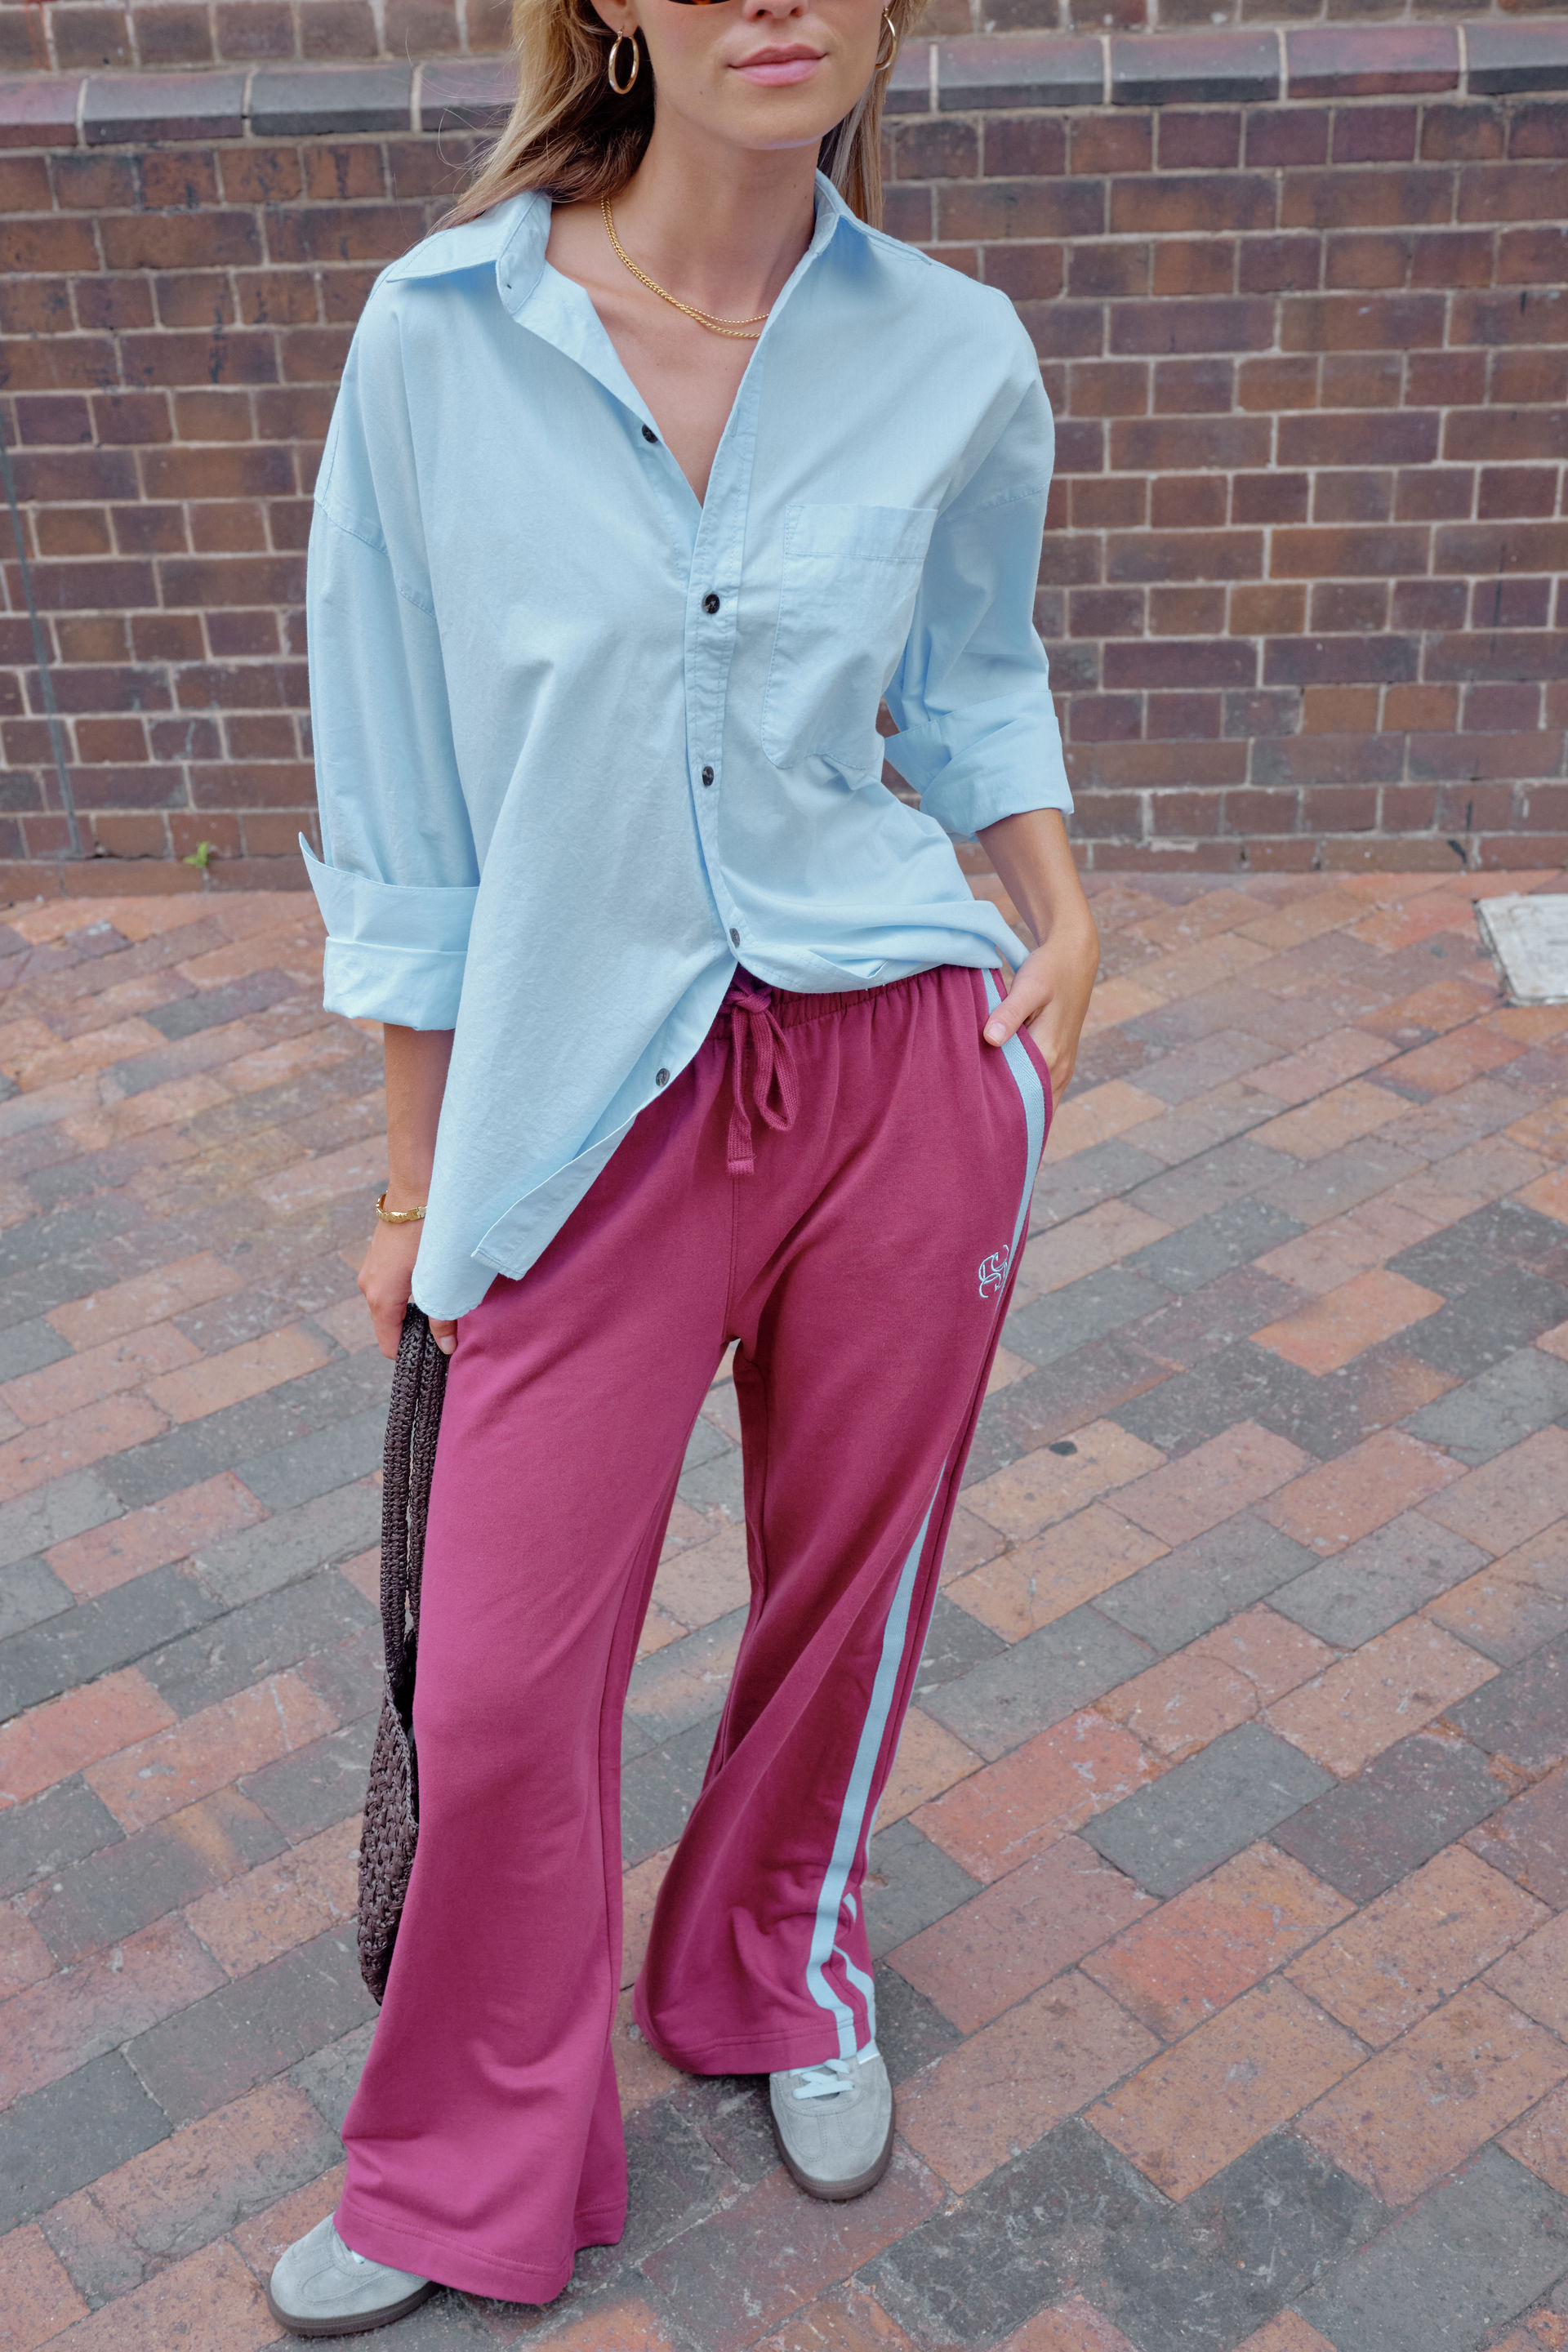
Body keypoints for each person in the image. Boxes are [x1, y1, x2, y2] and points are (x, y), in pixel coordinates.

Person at [265, 0, 1099, 2325]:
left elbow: (973, 675)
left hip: (897, 1062)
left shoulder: (953, 349)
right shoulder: (443, 344)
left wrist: (1063, 911)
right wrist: (415, 1184)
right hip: (580, 1091)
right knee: (498, 1683)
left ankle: (776, 1966)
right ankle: (464, 2162)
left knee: (851, 1588)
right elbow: (404, 805)